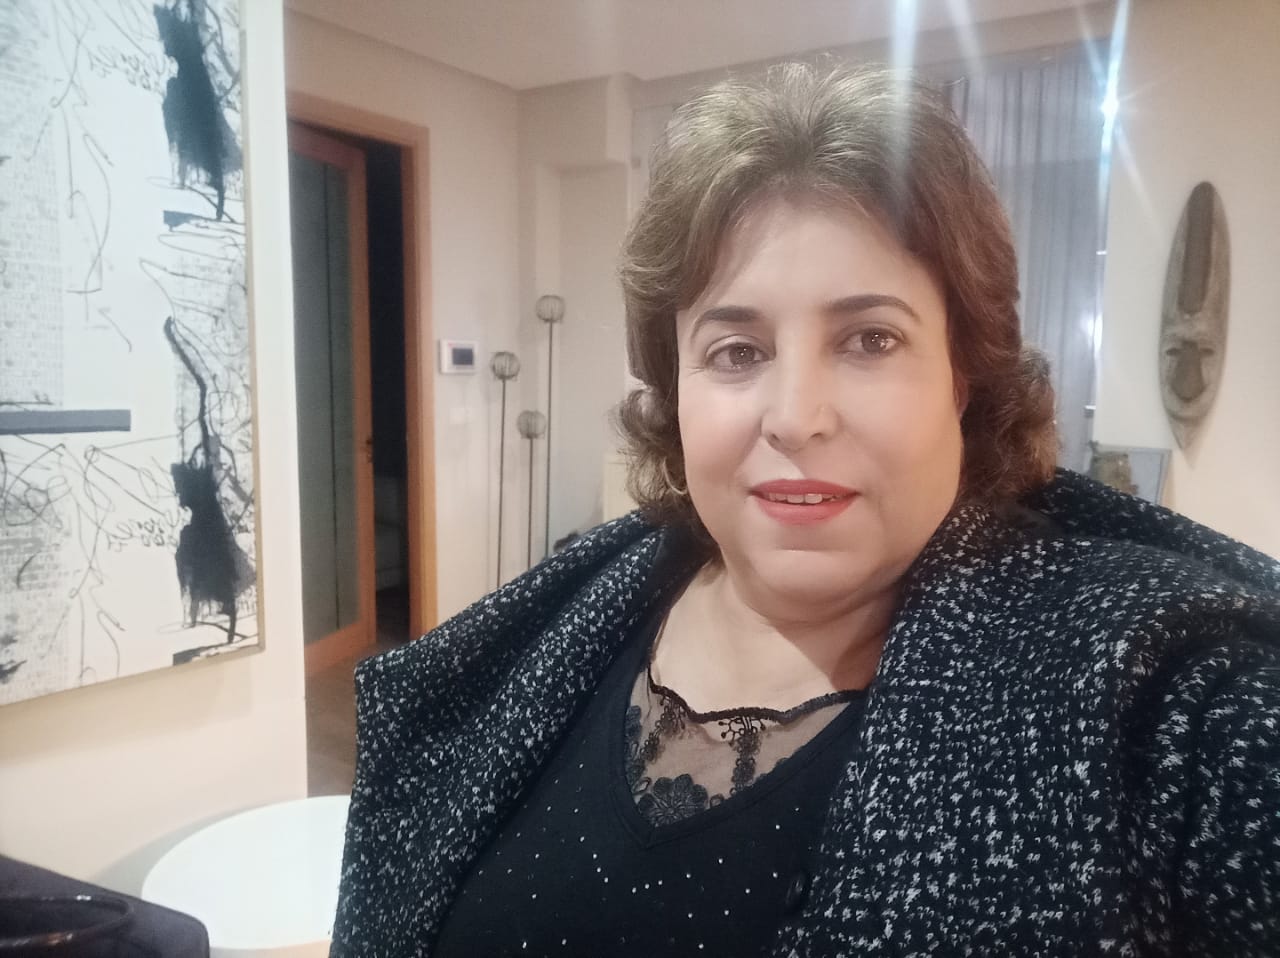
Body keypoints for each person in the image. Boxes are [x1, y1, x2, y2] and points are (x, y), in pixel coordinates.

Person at [330, 63, 1280, 956]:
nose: (796, 416)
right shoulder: (559, 617)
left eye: (870, 339)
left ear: (962, 376)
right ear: (675, 388)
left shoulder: (1151, 682)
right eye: (737, 351)